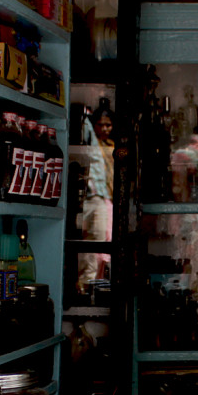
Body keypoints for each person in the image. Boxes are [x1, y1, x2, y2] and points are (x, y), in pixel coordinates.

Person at [77, 105, 114, 294]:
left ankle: (91, 284)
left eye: (109, 125)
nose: (106, 129)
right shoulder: (92, 141)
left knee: (99, 243)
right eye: (102, 125)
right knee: (92, 243)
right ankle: (86, 285)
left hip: (102, 198)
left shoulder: (109, 147)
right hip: (92, 198)